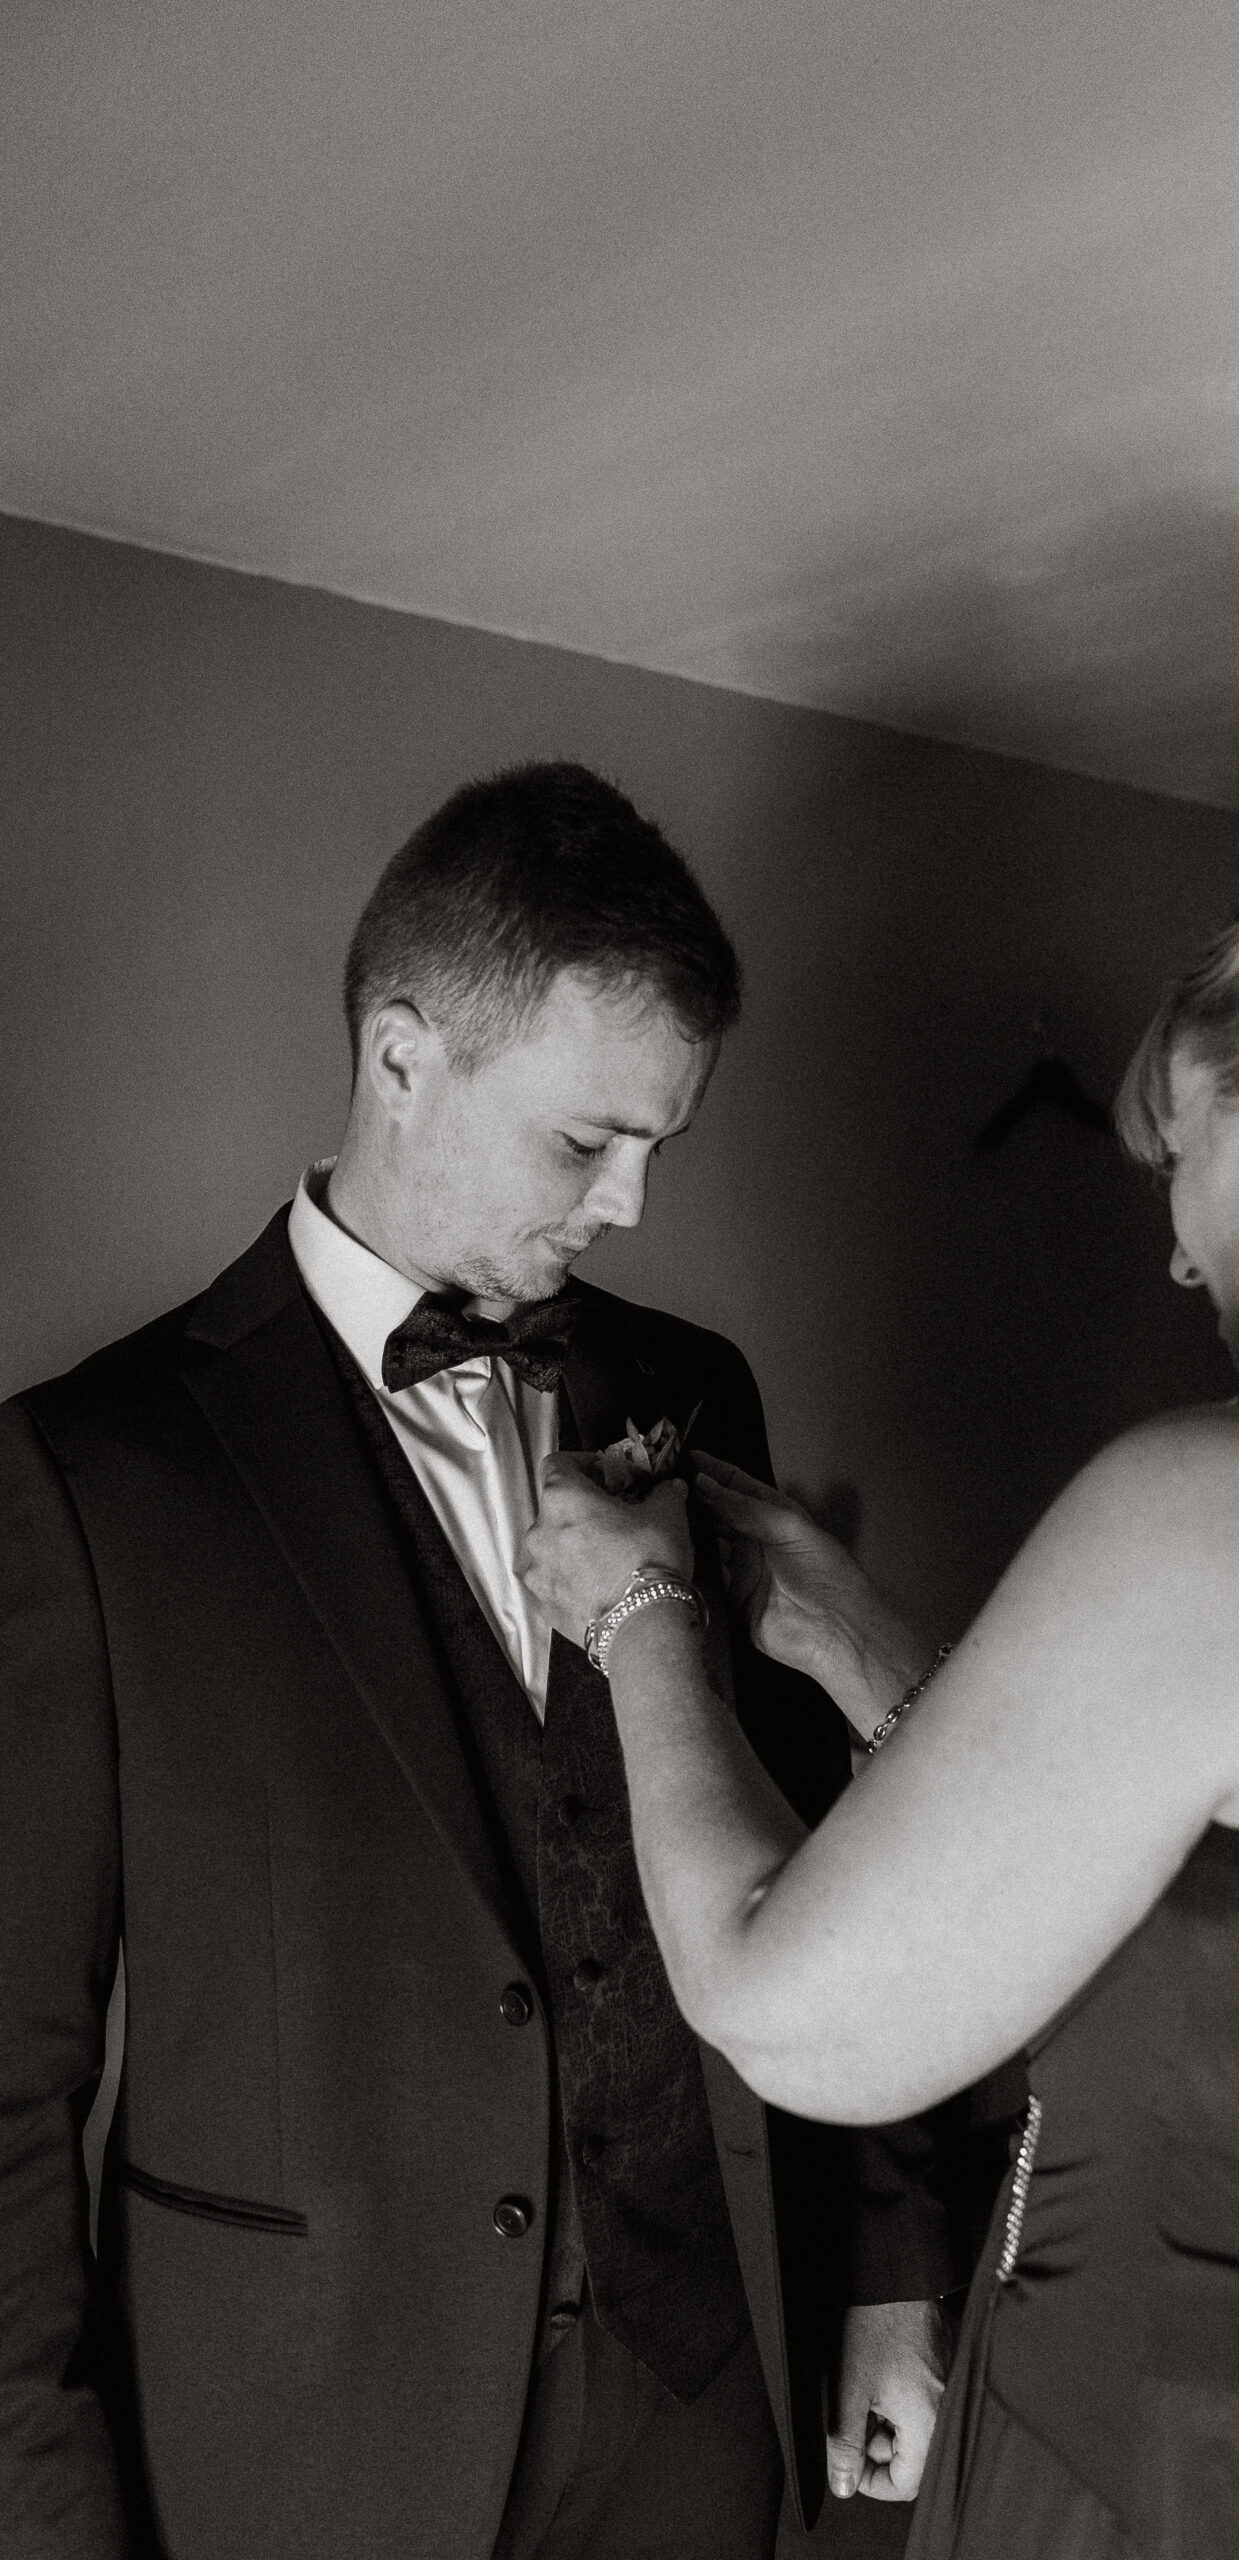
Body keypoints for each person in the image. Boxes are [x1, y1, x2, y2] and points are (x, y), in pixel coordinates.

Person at [520, 833, 1239, 2557]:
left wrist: (638, 1612)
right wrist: (857, 1644)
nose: (1174, 1256)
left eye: (1180, 1155)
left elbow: (793, 2007)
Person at [0, 762, 969, 2560]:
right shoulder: (90, 1475)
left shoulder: (691, 1392)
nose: (629, 1206)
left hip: (707, 2403)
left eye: (660, 1145)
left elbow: (826, 1860)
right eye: (585, 1142)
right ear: (401, 1058)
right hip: (306, 2457)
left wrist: (887, 2269)